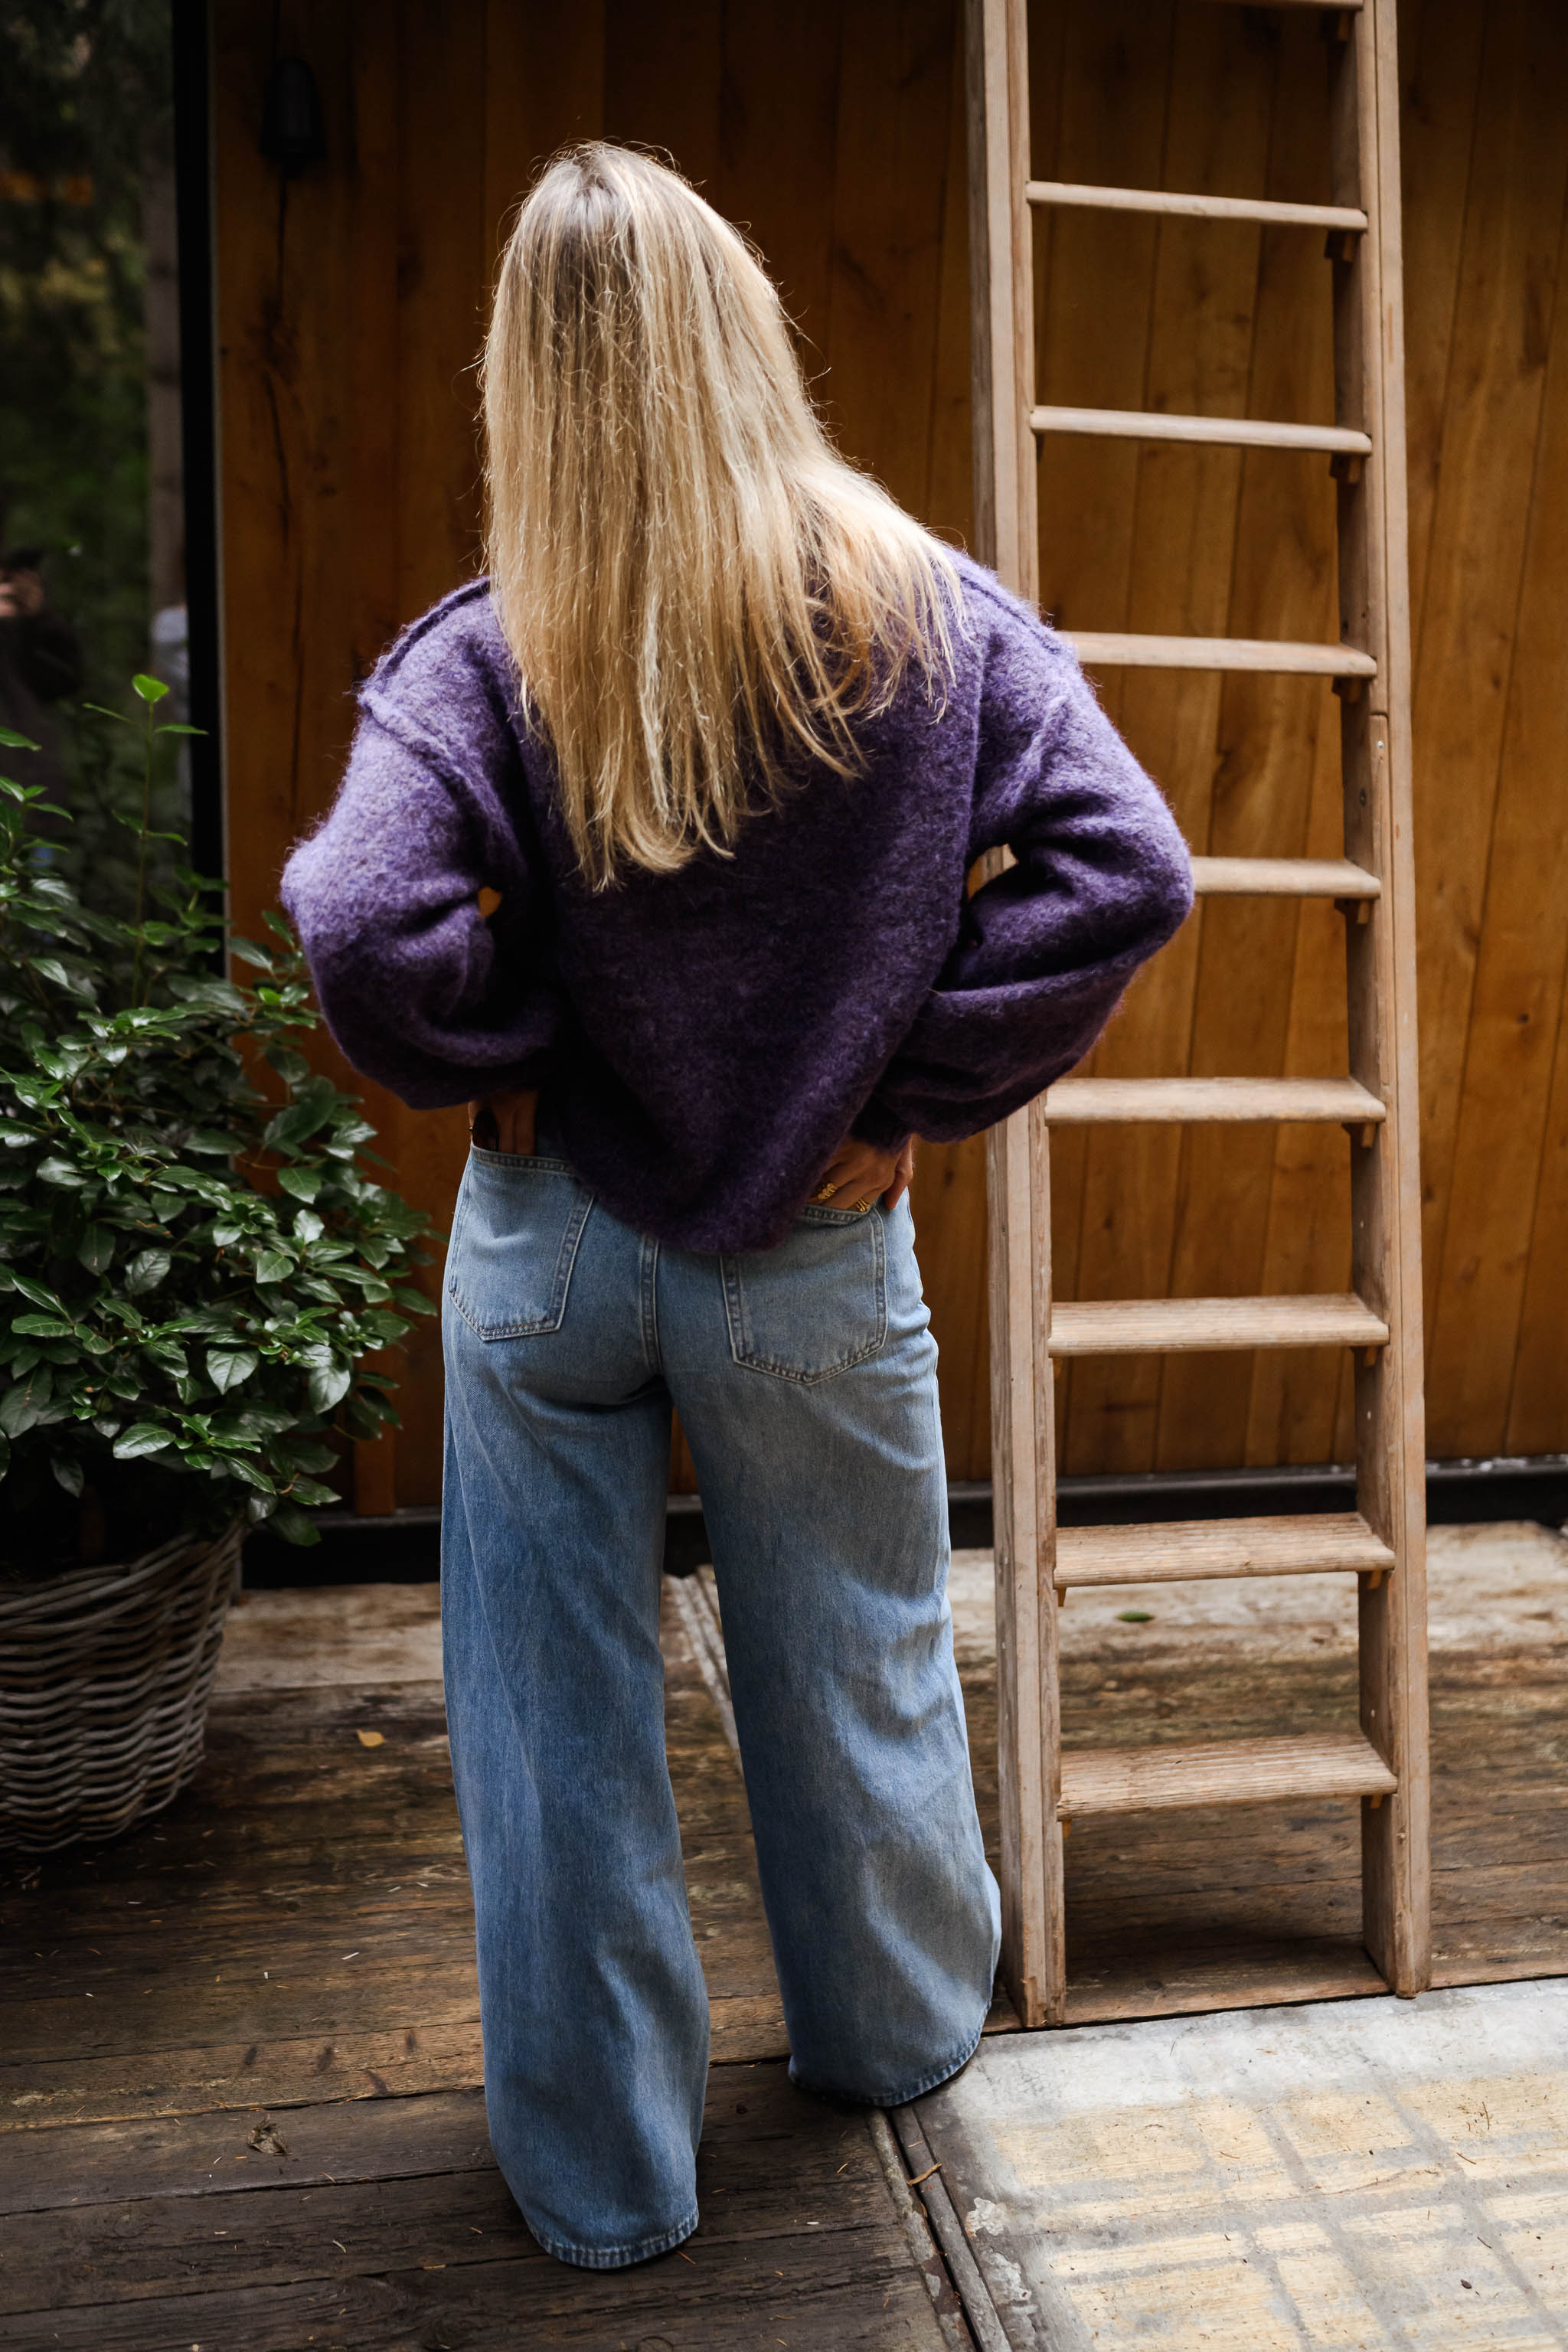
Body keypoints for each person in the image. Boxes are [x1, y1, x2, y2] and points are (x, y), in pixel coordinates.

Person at [282, 144, 1192, 2271]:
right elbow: (1127, 866)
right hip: (808, 1247)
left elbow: (353, 923)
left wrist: (504, 1063)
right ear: (740, 334)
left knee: (548, 1717)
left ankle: (606, 2193)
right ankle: (884, 2042)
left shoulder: (490, 650)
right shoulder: (930, 614)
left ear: (532, 380)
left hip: (553, 1259)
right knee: (860, 1656)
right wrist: (913, 1089)